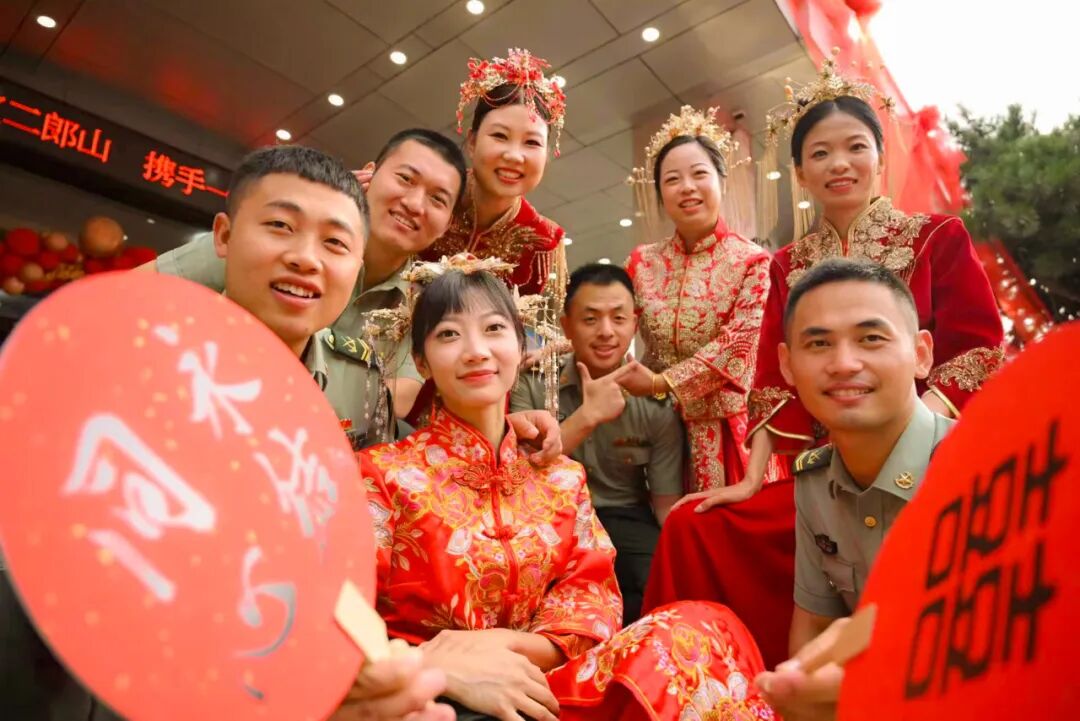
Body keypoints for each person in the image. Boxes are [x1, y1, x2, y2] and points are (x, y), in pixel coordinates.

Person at [0, 145, 453, 721]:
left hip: (260, 654)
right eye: (280, 226)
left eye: (335, 243)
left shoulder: (358, 380)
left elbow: (343, 543)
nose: (305, 258)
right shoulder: (134, 353)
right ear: (223, 236)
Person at [360, 264, 775, 721]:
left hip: (544, 692)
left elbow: (590, 597)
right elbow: (345, 617)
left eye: (494, 329)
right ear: (421, 362)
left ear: (521, 347)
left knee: (703, 626)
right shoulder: (382, 475)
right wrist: (436, 664)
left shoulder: (560, 478)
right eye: (449, 335)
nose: (476, 351)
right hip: (431, 698)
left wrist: (501, 646)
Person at [727, 56, 1004, 509]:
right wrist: (751, 479)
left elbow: (976, 352)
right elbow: (774, 382)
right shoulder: (786, 265)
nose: (839, 164)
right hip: (830, 470)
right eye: (820, 153)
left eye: (856, 147)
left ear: (880, 158)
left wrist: (909, 438)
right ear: (800, 173)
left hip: (931, 454)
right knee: (699, 529)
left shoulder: (936, 238)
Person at [144, 128, 467, 419]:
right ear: (369, 174)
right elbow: (139, 292)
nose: (414, 204)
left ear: (448, 224)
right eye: (405, 179)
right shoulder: (267, 240)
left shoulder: (424, 300)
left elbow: (393, 401)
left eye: (437, 199)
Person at [755, 258, 956, 721]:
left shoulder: (979, 467)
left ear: (921, 353)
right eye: (819, 343)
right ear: (787, 365)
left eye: (871, 339)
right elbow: (814, 625)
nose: (844, 364)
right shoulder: (813, 483)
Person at [510, 263, 683, 625]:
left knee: (657, 583)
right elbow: (520, 472)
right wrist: (587, 416)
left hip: (624, 514)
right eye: (590, 319)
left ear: (634, 323)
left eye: (618, 318)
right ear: (566, 325)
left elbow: (665, 505)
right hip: (547, 514)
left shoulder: (656, 403)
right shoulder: (534, 381)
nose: (606, 331)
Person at [622, 106, 775, 493]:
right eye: (672, 179)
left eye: (699, 174)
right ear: (660, 193)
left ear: (722, 181)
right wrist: (557, 351)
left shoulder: (753, 261)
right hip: (655, 427)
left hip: (727, 433)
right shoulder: (642, 263)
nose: (687, 187)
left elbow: (738, 345)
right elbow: (611, 322)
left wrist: (661, 382)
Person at [422, 48, 568, 296]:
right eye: (500, 136)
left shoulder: (545, 240)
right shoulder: (426, 194)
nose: (514, 156)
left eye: (532, 142)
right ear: (472, 142)